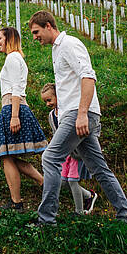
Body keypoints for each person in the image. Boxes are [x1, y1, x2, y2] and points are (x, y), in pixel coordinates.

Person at [29, 11, 127, 227]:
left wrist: (81, 114)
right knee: (99, 168)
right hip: (76, 112)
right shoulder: (57, 49)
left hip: (78, 112)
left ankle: (46, 220)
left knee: (50, 158)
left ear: (49, 26)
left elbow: (88, 77)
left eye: (36, 32)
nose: (34, 37)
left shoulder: (69, 44)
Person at [0, 27, 48, 212]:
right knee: (9, 156)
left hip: (13, 108)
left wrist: (14, 116)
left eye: (0, 38)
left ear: (9, 39)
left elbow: (16, 88)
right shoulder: (15, 58)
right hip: (12, 107)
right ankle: (43, 182)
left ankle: (17, 203)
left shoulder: (13, 57)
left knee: (6, 156)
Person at [41, 83, 98, 215]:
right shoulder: (51, 115)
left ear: (58, 96)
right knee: (63, 182)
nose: (48, 104)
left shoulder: (68, 112)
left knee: (73, 181)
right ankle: (89, 195)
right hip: (65, 153)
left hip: (76, 153)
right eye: (45, 101)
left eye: (49, 100)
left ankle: (79, 212)